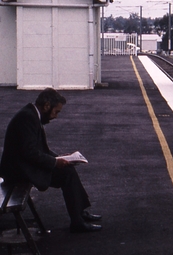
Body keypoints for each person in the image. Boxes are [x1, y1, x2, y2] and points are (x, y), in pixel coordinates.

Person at [0, 88, 102, 233]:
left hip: (21, 165)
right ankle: (77, 220)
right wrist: (55, 162)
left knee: (67, 170)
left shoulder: (31, 115)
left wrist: (59, 158)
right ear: (47, 105)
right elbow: (29, 152)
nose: (56, 116)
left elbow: (36, 150)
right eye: (56, 111)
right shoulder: (28, 118)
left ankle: (79, 214)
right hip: (17, 171)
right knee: (67, 174)